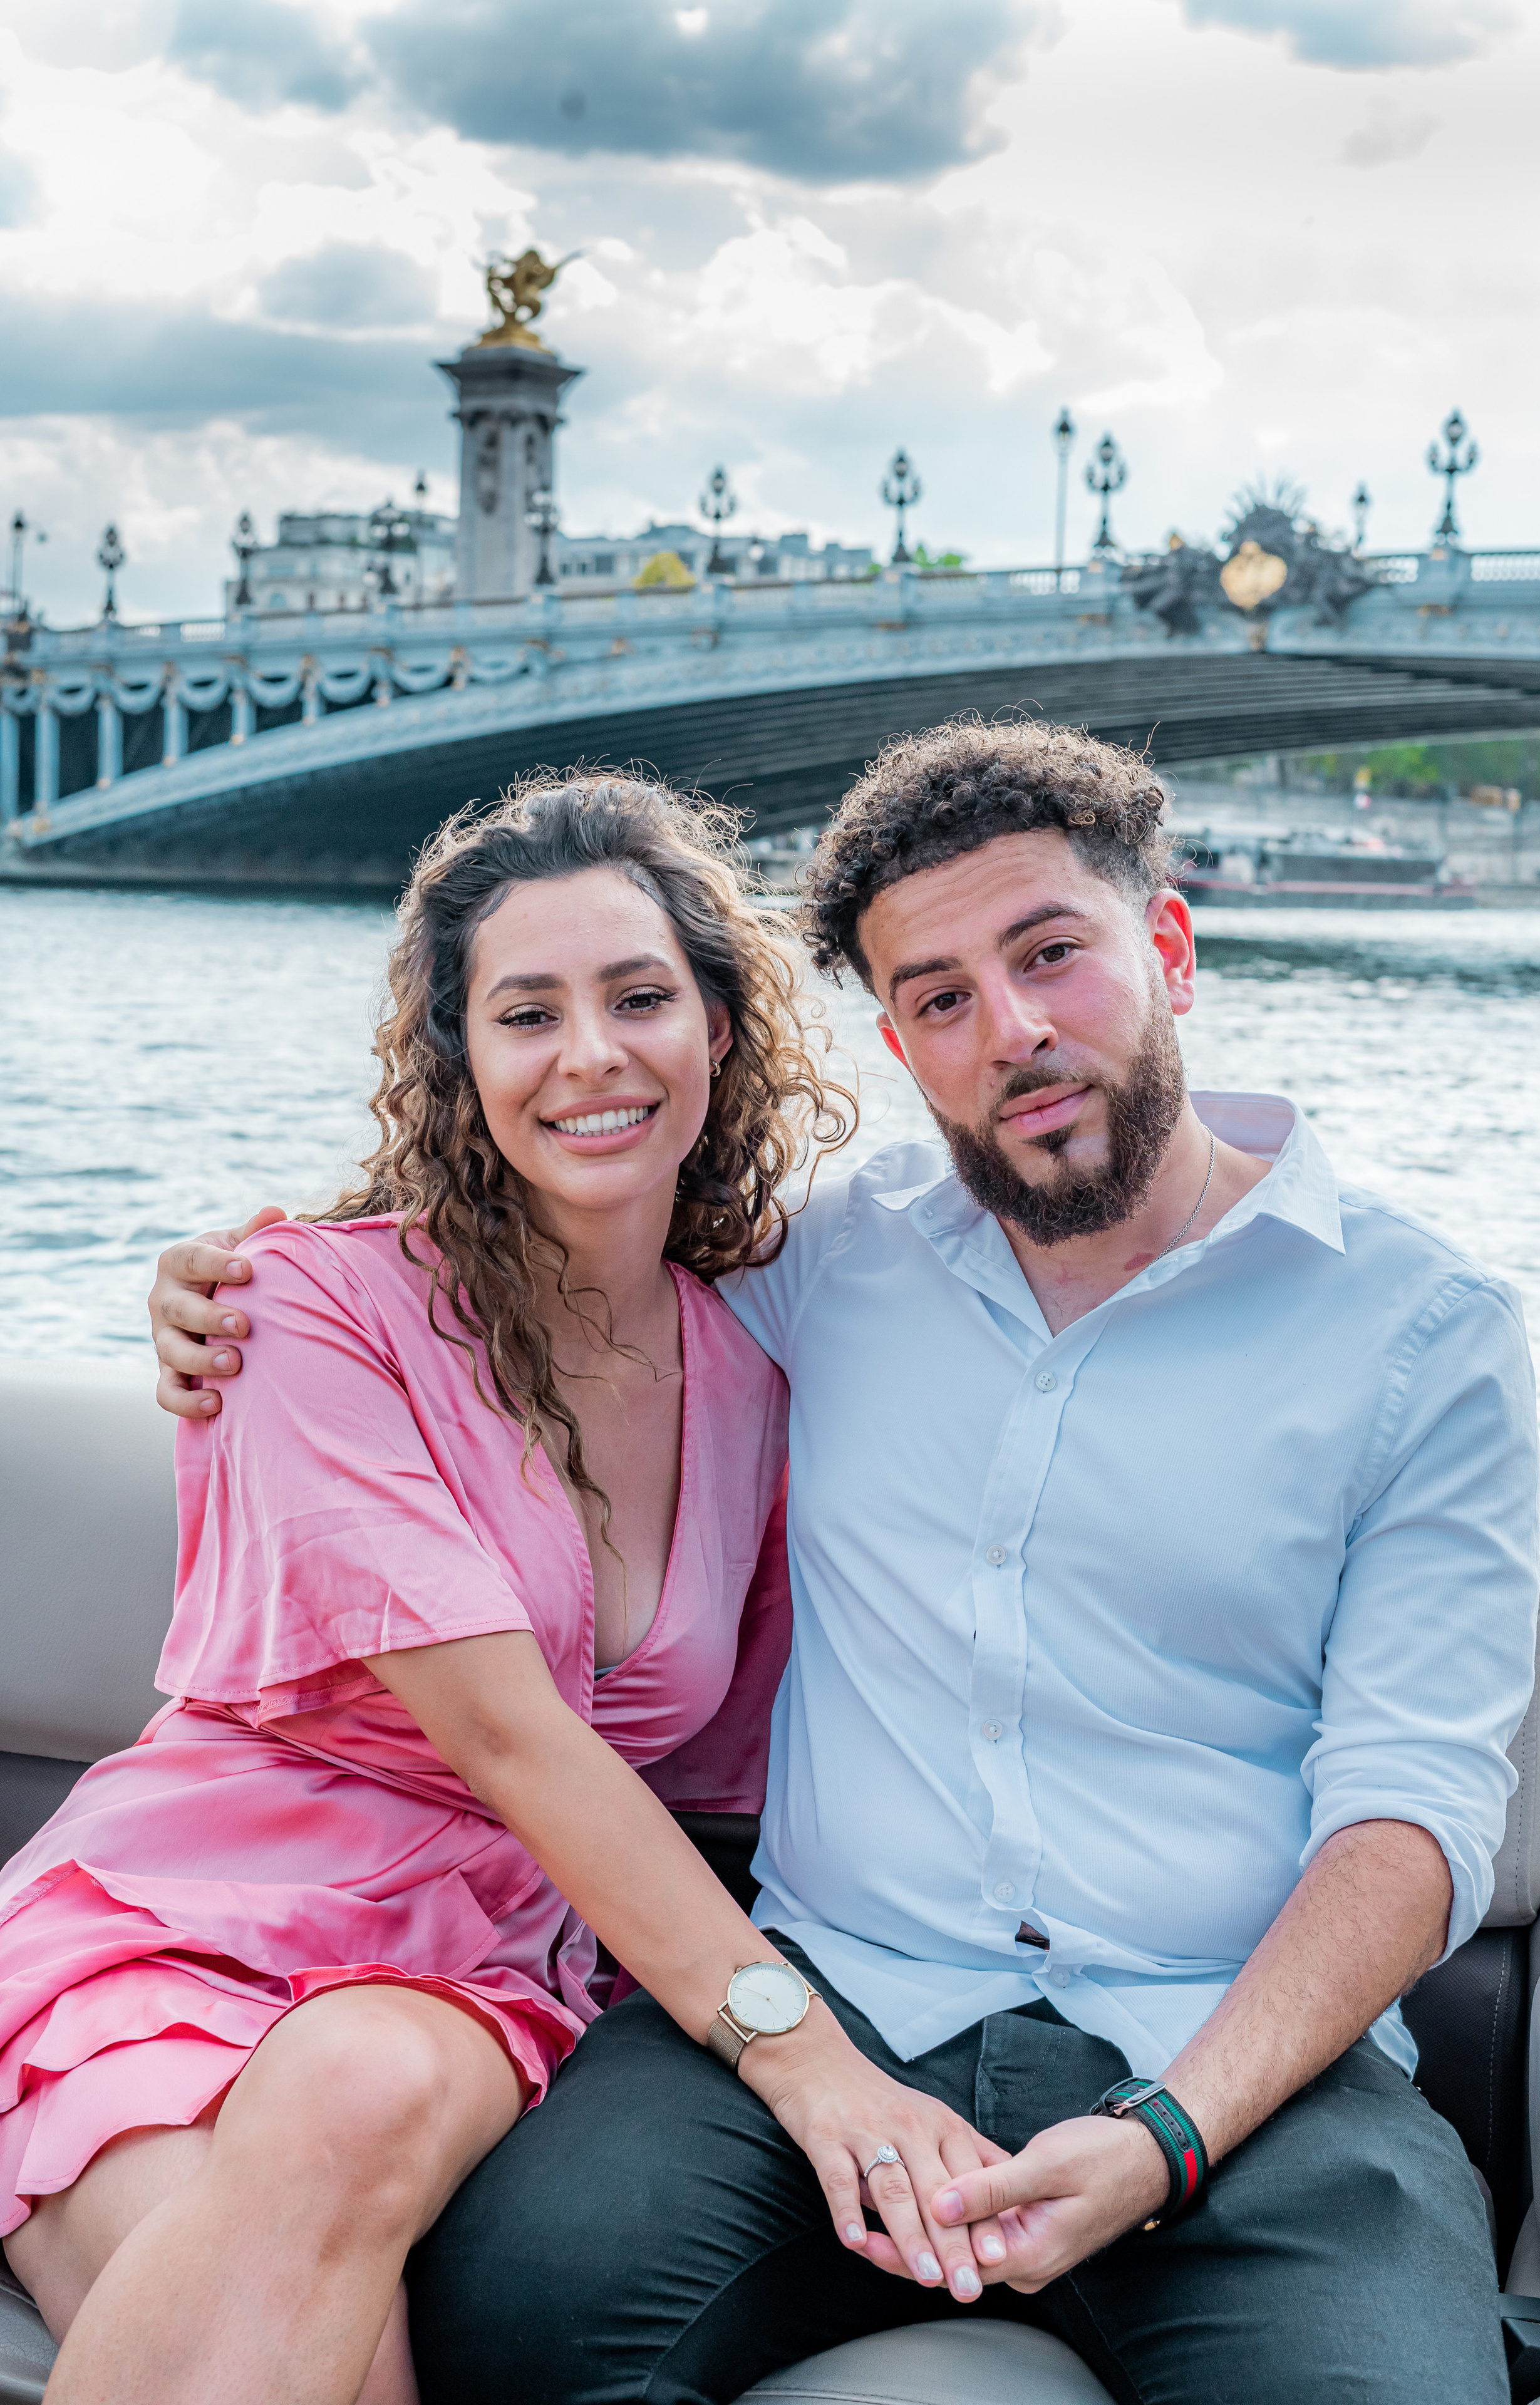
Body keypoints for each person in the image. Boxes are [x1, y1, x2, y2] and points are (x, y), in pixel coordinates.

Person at [147, 720, 1539, 2405]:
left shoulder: (1425, 1333)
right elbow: (550, 1253)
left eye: (1053, 957)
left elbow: (1410, 1808)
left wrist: (1173, 2135)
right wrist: (239, 1282)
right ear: (895, 1041)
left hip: (1231, 2063)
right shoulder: (827, 1264)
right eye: (941, 997)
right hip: (829, 2006)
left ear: (1167, 948)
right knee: (510, 2325)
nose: (1013, 1031)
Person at [1, 774, 1021, 2405]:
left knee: (360, 2079)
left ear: (720, 1030)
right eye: (525, 1013)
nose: (589, 1057)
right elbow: (514, 1740)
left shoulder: (763, 1368)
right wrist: (814, 2070)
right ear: (462, 1063)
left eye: (637, 998)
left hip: (489, 1969)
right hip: (186, 1932)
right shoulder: (311, 1315)